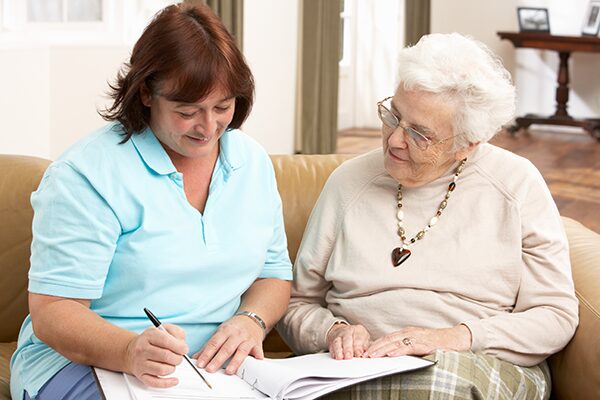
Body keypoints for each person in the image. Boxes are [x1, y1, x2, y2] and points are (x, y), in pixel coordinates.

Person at [10, 4, 292, 400]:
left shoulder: (252, 163)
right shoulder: (87, 173)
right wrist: (129, 350)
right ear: (145, 93)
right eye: (187, 111)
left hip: (211, 373)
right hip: (84, 365)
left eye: (222, 107)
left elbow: (274, 274)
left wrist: (251, 320)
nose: (208, 128)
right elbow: (54, 311)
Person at [278, 33, 578, 399]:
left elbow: (555, 315)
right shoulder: (348, 183)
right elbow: (297, 303)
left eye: (419, 134)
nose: (394, 140)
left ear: (468, 143)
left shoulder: (515, 185)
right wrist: (333, 331)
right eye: (394, 116)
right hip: (357, 366)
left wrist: (457, 338)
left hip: (478, 361)